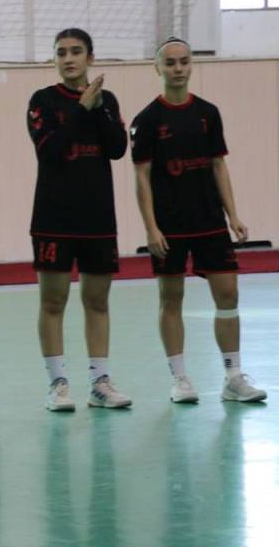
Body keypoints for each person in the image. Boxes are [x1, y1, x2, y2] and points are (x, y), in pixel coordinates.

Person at [131, 37, 266, 404]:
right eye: (170, 63)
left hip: (209, 220)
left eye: (184, 61)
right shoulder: (147, 120)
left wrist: (232, 214)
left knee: (228, 294)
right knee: (170, 298)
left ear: (191, 65)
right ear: (158, 68)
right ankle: (180, 379)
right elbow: (141, 177)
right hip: (169, 225)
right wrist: (151, 227)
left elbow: (219, 165)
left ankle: (233, 377)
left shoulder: (208, 113)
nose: (178, 68)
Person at [27, 28, 132, 411]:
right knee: (53, 301)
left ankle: (100, 383)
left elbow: (117, 149)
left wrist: (98, 107)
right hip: (54, 217)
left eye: (76, 51)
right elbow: (50, 150)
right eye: (61, 52)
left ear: (90, 57)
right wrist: (80, 109)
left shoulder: (107, 100)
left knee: (97, 301)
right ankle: (57, 384)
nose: (68, 58)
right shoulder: (42, 100)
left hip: (98, 217)